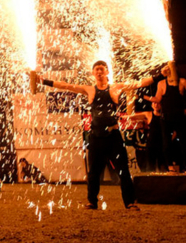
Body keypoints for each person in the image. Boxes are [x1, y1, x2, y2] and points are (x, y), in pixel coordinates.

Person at [34, 60, 162, 210]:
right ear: (93, 73)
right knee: (93, 172)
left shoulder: (116, 88)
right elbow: (66, 86)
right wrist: (43, 81)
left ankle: (130, 202)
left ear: (107, 72)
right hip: (95, 137)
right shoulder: (89, 90)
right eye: (97, 70)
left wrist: (160, 76)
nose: (99, 72)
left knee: (123, 170)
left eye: (102, 69)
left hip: (113, 136)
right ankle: (92, 202)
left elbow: (139, 83)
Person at [144, 64, 186, 173]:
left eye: (169, 68)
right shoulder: (161, 83)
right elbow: (158, 99)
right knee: (166, 142)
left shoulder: (182, 82)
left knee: (184, 141)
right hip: (165, 117)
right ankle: (170, 166)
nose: (167, 70)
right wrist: (143, 96)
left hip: (179, 116)